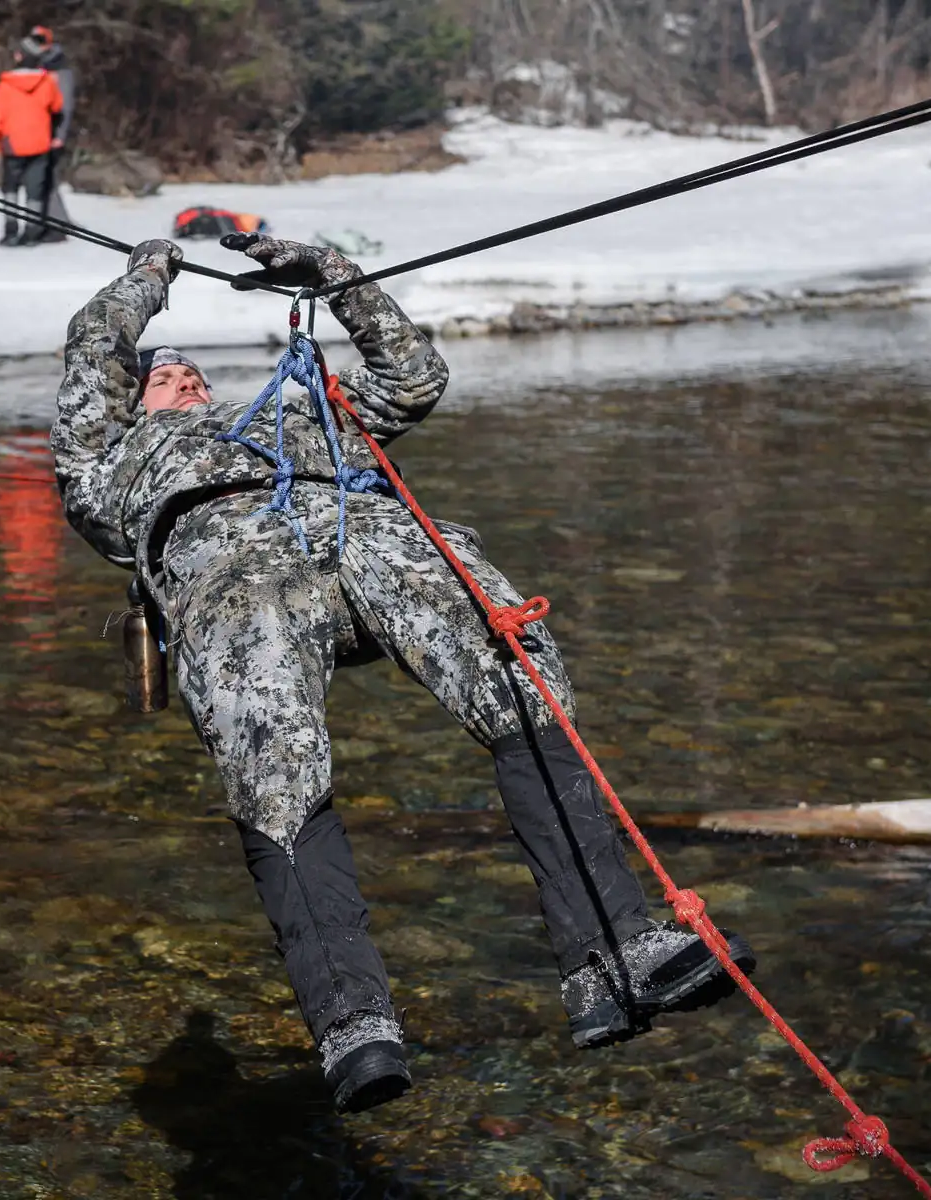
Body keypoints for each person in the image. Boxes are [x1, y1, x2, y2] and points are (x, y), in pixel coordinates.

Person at [51, 235, 759, 1114]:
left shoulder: (299, 417)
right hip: (233, 576)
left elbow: (414, 379)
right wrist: (147, 280)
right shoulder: (105, 464)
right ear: (133, 404)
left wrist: (339, 278)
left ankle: (613, 954)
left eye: (196, 373)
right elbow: (95, 348)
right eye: (166, 377)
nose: (188, 379)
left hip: (371, 536)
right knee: (278, 772)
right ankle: (353, 1021)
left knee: (517, 677)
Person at [0, 38, 62, 248]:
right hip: (39, 143)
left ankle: (11, 231)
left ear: (19, 57)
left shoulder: (6, 84)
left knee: (10, 187)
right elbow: (57, 106)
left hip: (12, 143)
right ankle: (31, 232)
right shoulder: (47, 82)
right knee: (34, 190)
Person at [25, 24, 72, 241]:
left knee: (49, 180)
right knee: (41, 180)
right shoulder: (38, 66)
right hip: (39, 131)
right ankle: (46, 223)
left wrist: (59, 135)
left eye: (41, 40)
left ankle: (58, 225)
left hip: (53, 132)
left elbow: (66, 106)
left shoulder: (59, 68)